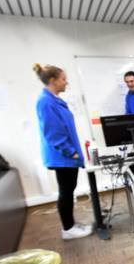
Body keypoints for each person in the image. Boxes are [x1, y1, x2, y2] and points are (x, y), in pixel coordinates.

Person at [34, 64, 93, 240]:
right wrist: (70, 152)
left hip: (66, 156)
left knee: (68, 190)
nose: (66, 82)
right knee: (66, 192)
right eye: (63, 79)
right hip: (63, 157)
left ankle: (71, 224)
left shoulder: (54, 99)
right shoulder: (45, 102)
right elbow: (52, 132)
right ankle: (68, 229)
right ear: (53, 81)